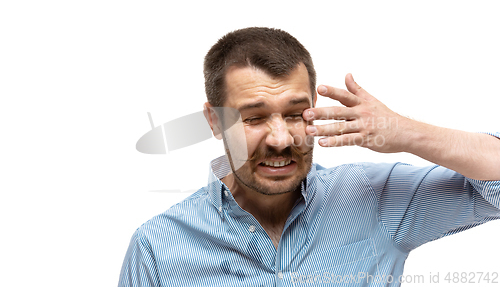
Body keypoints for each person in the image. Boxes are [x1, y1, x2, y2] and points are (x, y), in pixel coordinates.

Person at [118, 27, 500, 286]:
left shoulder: (375, 200)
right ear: (214, 121)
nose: (281, 139)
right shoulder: (158, 247)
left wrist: (405, 133)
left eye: (294, 113)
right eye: (253, 118)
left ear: (315, 106)